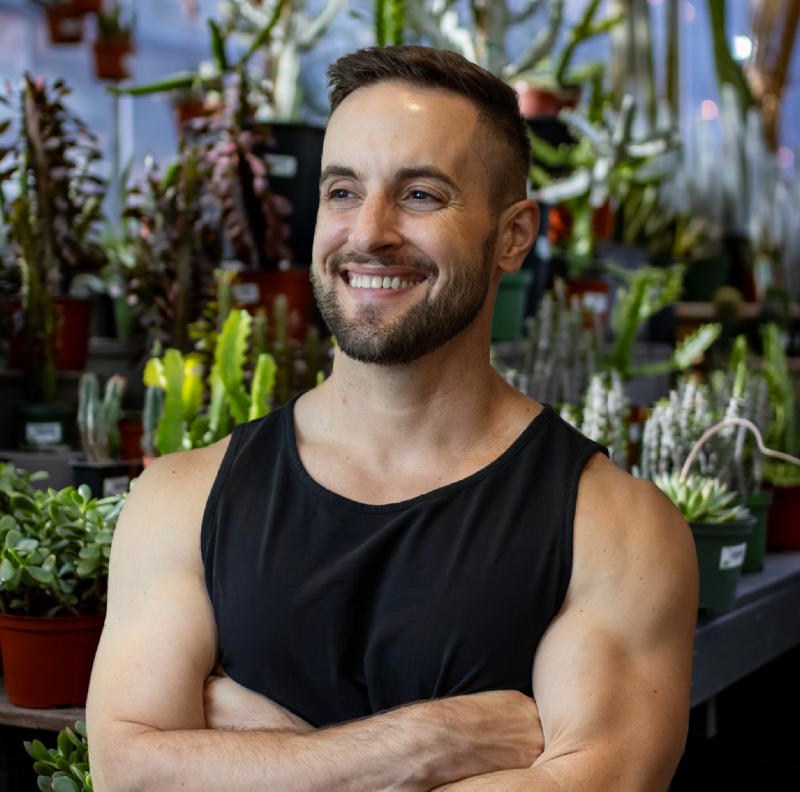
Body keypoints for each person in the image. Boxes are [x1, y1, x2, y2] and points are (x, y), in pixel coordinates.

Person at [87, 45, 698, 791]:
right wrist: (425, 744)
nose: (369, 231)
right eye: (343, 191)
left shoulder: (614, 530)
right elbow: (130, 775)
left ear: (513, 235)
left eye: (420, 196)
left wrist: (253, 749)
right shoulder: (183, 500)